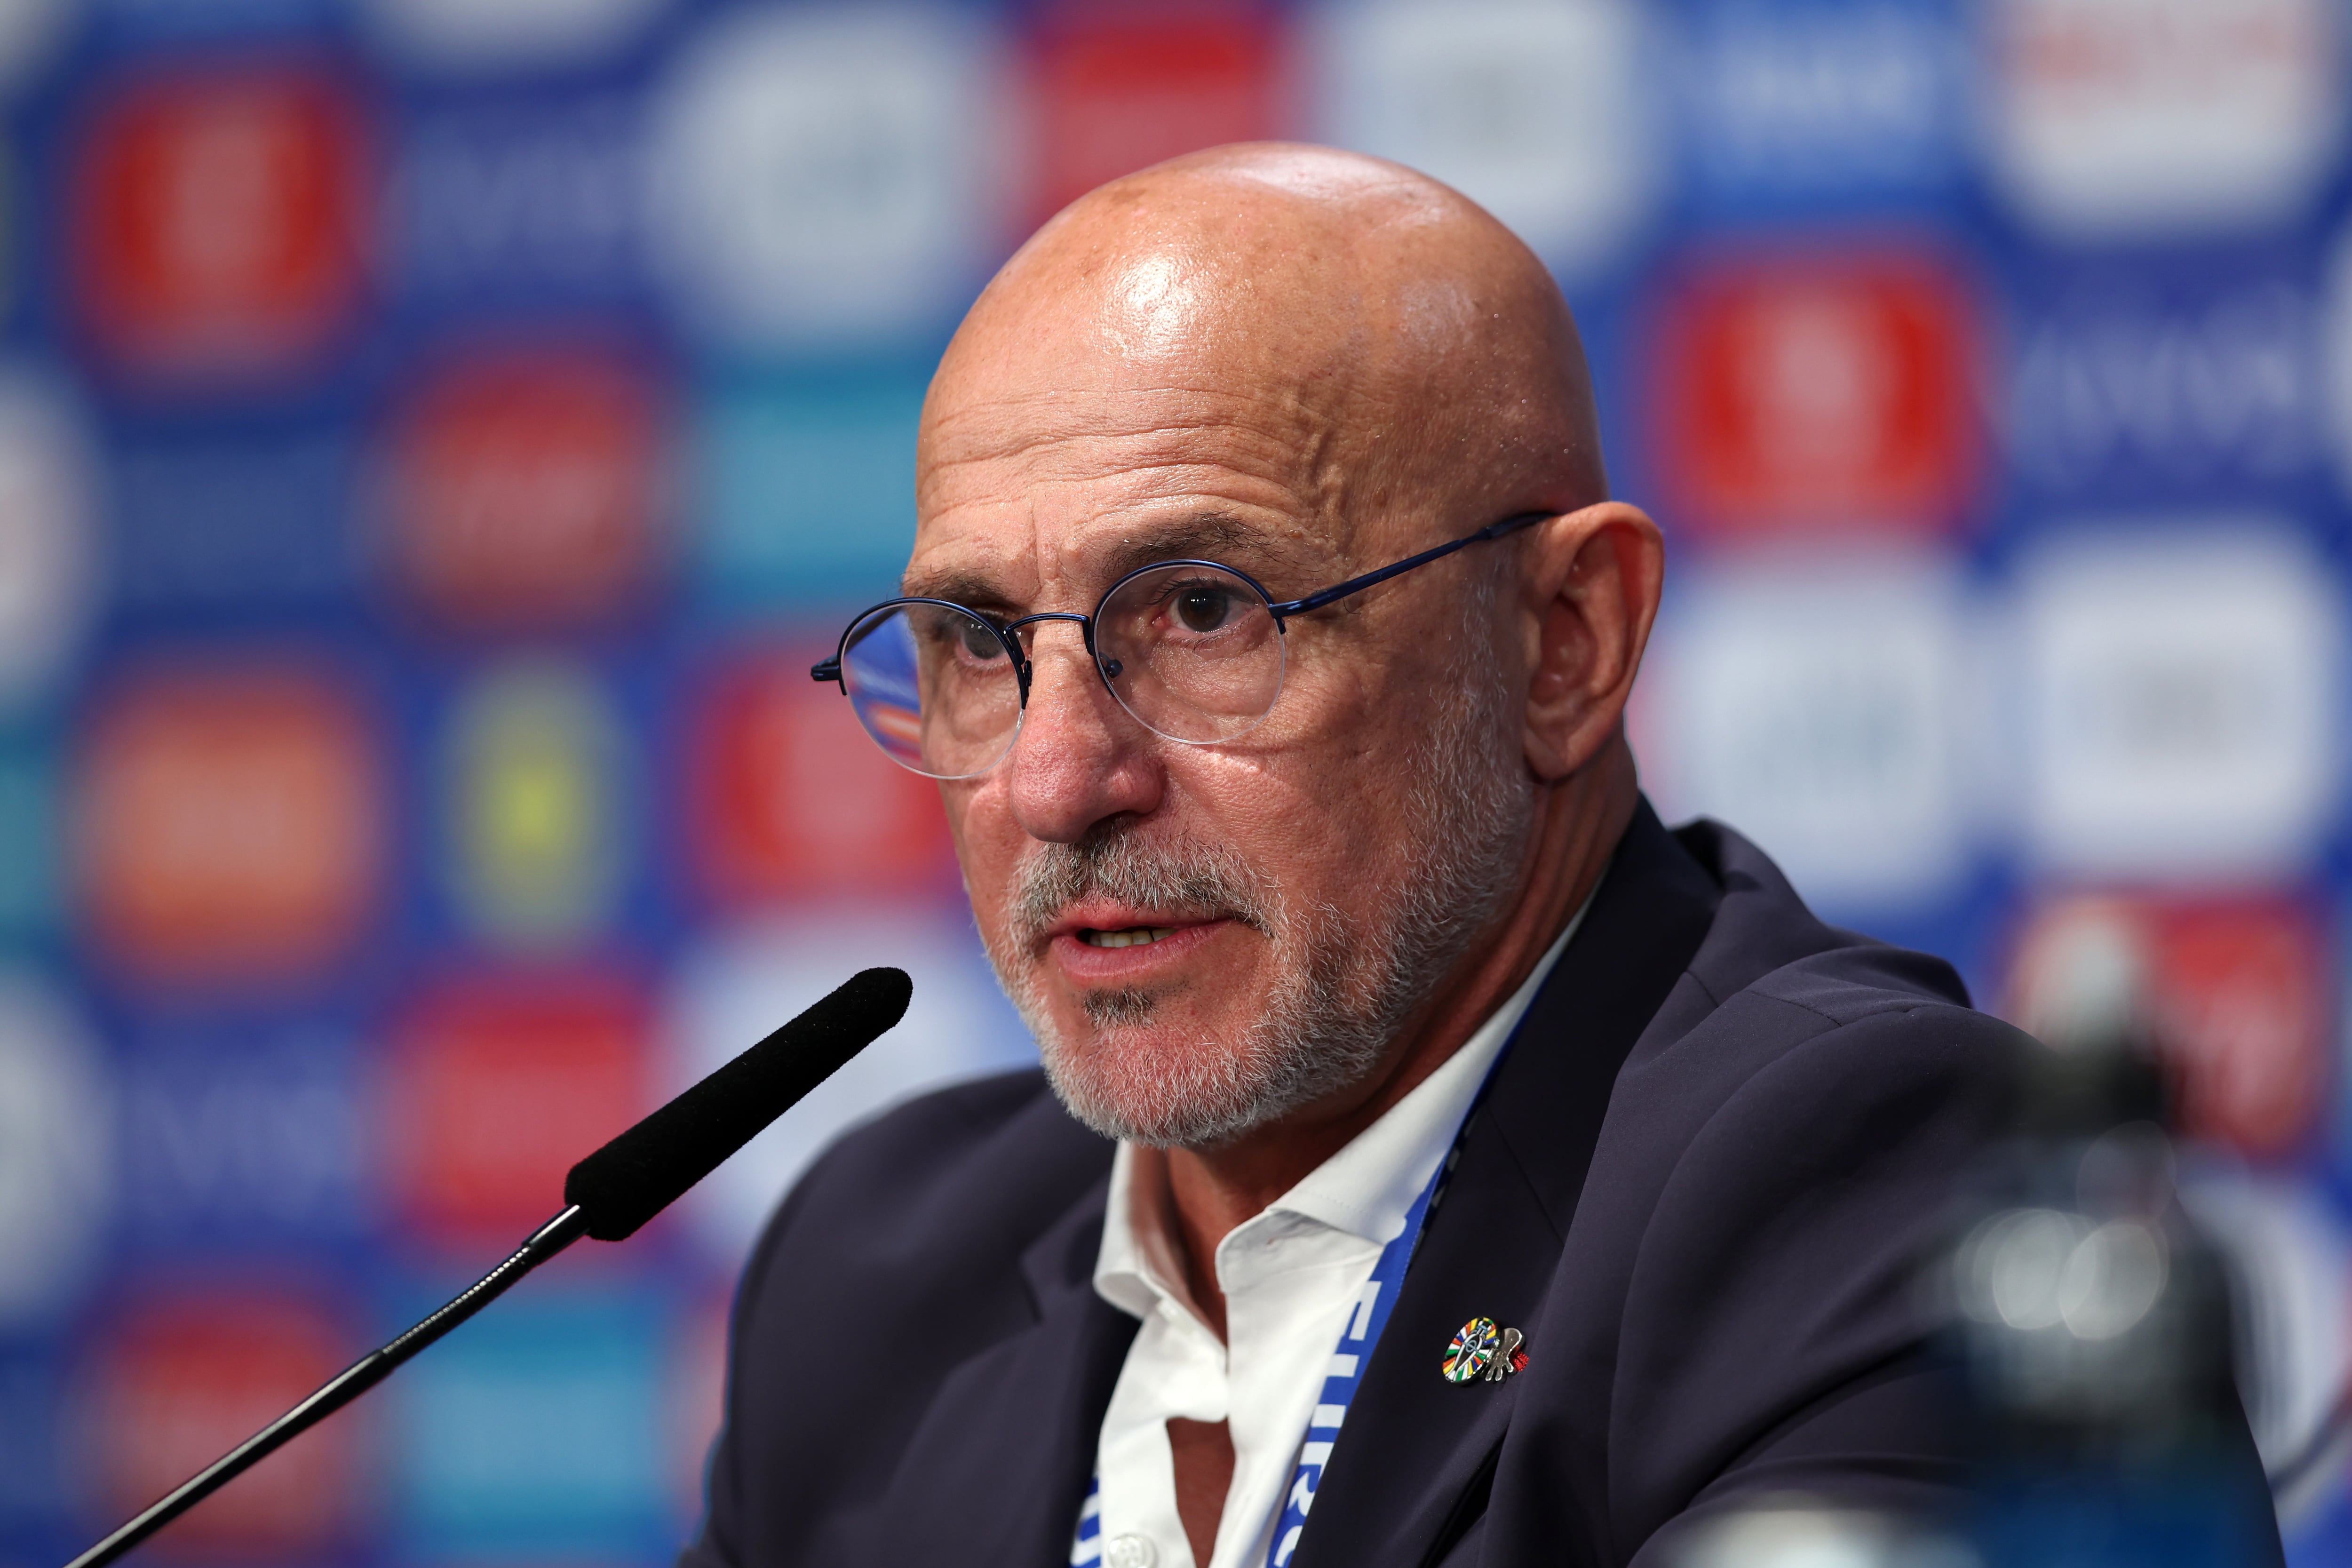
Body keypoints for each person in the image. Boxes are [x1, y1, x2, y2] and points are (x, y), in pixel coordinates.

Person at [678, 145, 2277, 1568]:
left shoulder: (1863, 1186)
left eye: (1206, 610)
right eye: (974, 639)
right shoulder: (881, 1267)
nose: (1055, 777)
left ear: (1564, 644)